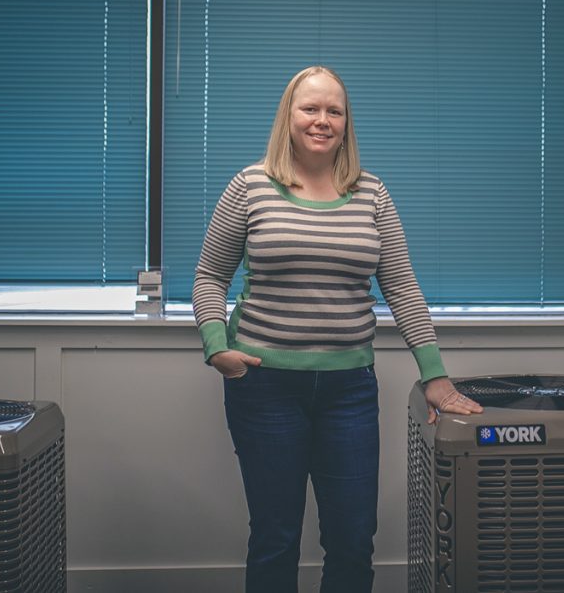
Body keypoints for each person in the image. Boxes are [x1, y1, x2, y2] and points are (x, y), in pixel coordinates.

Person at [191, 65, 483, 593]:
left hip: (348, 391)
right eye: (310, 108)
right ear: (289, 116)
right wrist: (217, 347)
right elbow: (210, 275)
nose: (321, 120)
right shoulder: (251, 185)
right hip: (264, 387)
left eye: (334, 111)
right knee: (276, 537)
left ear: (346, 123)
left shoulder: (371, 193)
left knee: (352, 541)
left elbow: (403, 287)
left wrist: (436, 374)